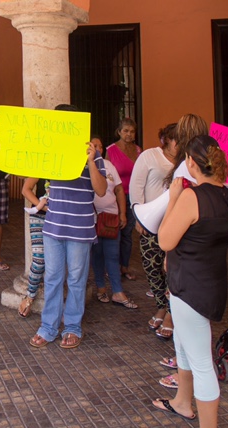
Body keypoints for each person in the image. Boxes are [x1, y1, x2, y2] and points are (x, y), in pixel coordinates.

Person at [152, 134, 228, 426]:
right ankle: (182, 402)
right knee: (184, 346)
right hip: (210, 284)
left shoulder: (192, 197)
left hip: (190, 288)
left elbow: (164, 240)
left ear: (191, 162)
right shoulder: (227, 195)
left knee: (201, 362)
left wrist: (174, 198)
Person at [29, 104, 107, 349]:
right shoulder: (51, 153)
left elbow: (102, 190)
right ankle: (48, 327)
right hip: (53, 227)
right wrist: (1, 149)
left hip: (80, 229)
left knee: (76, 279)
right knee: (52, 278)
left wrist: (91, 162)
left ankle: (72, 327)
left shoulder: (94, 156)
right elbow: (23, 164)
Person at [129, 123, 178, 337]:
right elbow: (135, 186)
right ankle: (161, 303)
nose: (180, 145)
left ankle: (170, 312)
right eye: (177, 140)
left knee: (173, 270)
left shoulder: (186, 161)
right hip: (151, 221)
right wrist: (137, 212)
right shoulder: (149, 156)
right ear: (166, 140)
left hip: (176, 223)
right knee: (152, 266)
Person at [90, 137, 137, 309]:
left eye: (100, 146)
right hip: (93, 218)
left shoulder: (109, 166)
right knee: (97, 254)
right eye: (94, 145)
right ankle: (101, 288)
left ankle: (117, 291)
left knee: (113, 254)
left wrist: (123, 213)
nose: (98, 149)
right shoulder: (84, 165)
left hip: (111, 217)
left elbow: (118, 189)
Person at [106, 118, 141, 281]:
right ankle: (112, 268)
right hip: (115, 196)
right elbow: (106, 176)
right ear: (119, 132)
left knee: (128, 234)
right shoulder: (111, 150)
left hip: (132, 197)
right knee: (115, 232)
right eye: (125, 130)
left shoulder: (139, 150)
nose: (129, 134)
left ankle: (124, 266)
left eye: (132, 131)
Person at [17, 177, 48, 318]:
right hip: (40, 216)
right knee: (39, 259)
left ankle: (53, 303)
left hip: (62, 218)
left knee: (58, 262)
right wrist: (43, 206)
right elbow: (25, 189)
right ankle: (29, 296)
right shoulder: (41, 161)